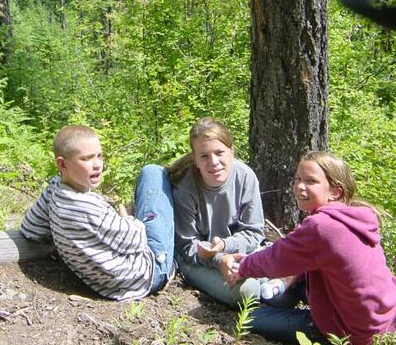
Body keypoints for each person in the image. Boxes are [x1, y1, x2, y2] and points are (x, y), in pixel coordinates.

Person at [227, 150, 396, 345]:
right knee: (279, 294)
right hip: (384, 320)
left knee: (251, 318)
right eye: (298, 178)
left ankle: (312, 326)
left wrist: (242, 268)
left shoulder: (321, 226)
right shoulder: (355, 219)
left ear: (335, 192)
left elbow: (275, 259)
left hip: (350, 333)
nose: (300, 186)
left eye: (310, 181)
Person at [20, 124, 174, 301]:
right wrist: (129, 218)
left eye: (99, 156)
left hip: (102, 284)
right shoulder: (87, 207)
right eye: (86, 159)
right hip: (147, 273)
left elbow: (30, 228)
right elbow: (138, 241)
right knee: (153, 172)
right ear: (62, 163)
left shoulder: (54, 189)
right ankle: (177, 261)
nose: (97, 165)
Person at [168, 117, 266, 307]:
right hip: (196, 261)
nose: (213, 162)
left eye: (219, 152)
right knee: (248, 291)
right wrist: (219, 259)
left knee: (285, 295)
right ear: (195, 160)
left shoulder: (245, 177)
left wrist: (224, 245)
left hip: (237, 253)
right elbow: (187, 246)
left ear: (232, 152)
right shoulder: (186, 186)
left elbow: (254, 232)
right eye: (204, 156)